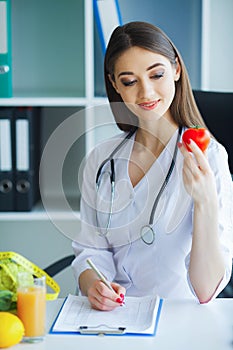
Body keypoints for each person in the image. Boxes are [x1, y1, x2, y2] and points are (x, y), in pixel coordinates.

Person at [72, 21, 233, 310]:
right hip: (112, 320)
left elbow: (206, 289)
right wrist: (93, 285)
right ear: (114, 84)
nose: (146, 93)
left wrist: (205, 199)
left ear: (176, 70)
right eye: (130, 81)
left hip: (177, 321)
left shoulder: (209, 157)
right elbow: (90, 250)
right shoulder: (101, 159)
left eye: (156, 74)